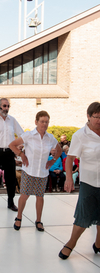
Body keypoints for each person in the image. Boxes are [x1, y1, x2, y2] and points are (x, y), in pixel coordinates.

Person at [59, 102, 100, 259]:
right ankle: (71, 243)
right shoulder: (80, 135)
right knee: (83, 216)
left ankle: (98, 244)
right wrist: (69, 178)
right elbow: (70, 159)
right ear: (88, 116)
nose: (99, 121)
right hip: (89, 182)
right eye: (96, 117)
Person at [9, 111, 62, 231]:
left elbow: (59, 151)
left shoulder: (50, 138)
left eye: (46, 122)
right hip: (29, 171)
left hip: (43, 172)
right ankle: (19, 217)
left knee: (40, 197)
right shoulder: (28, 135)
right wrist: (22, 155)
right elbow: (12, 145)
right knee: (24, 195)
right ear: (36, 122)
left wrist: (52, 161)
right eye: (42, 121)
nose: (44, 124)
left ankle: (38, 220)